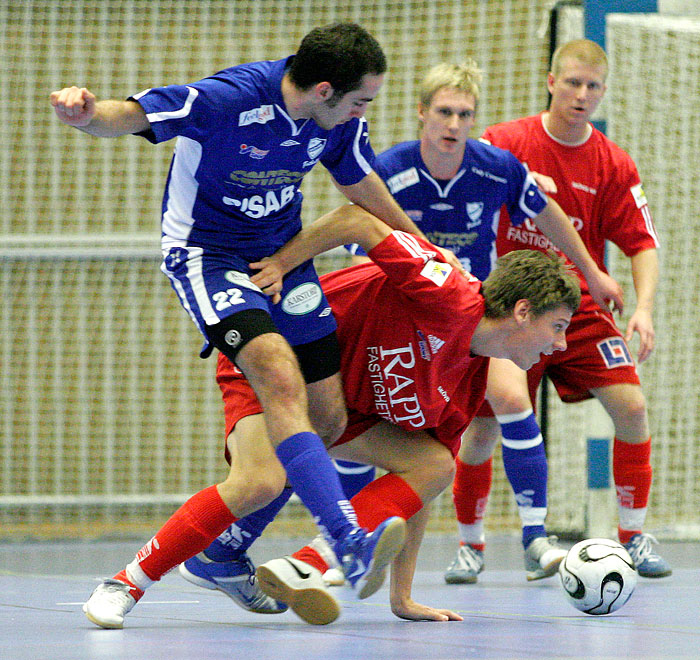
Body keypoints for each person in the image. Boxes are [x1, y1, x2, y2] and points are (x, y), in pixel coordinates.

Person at [51, 23, 441, 626]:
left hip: (281, 256)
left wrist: (422, 248)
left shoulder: (335, 122)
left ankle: (221, 556)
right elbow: (129, 115)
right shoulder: (228, 99)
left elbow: (358, 182)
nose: (366, 112)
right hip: (207, 257)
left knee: (328, 418)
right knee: (278, 376)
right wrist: (84, 114)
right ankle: (348, 540)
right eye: (362, 100)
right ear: (323, 90)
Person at [225, 204, 582, 624]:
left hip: (333, 407)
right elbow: (353, 219)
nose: (561, 345)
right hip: (270, 355)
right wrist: (281, 264)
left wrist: (403, 599)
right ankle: (138, 581)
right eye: (558, 326)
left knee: (433, 463)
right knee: (258, 483)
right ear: (522, 312)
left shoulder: (468, 381)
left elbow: (423, 487)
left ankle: (305, 560)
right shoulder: (445, 289)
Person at [340, 59, 623, 581]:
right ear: (422, 113)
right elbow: (363, 247)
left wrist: (592, 270)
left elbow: (547, 214)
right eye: (444, 112)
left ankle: (535, 540)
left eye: (464, 114)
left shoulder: (496, 168)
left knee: (513, 398)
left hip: (473, 314)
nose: (453, 124)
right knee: (367, 417)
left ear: (474, 120)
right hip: (409, 320)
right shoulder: (391, 171)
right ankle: (348, 538)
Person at [446, 38, 670, 585]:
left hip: (579, 305)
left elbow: (642, 243)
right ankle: (471, 545)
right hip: (512, 303)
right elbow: (467, 194)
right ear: (551, 82)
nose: (582, 94)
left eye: (593, 86)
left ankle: (633, 536)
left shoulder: (613, 163)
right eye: (572, 82)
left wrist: (642, 309)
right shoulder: (506, 143)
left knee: (633, 408)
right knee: (486, 425)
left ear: (603, 92)